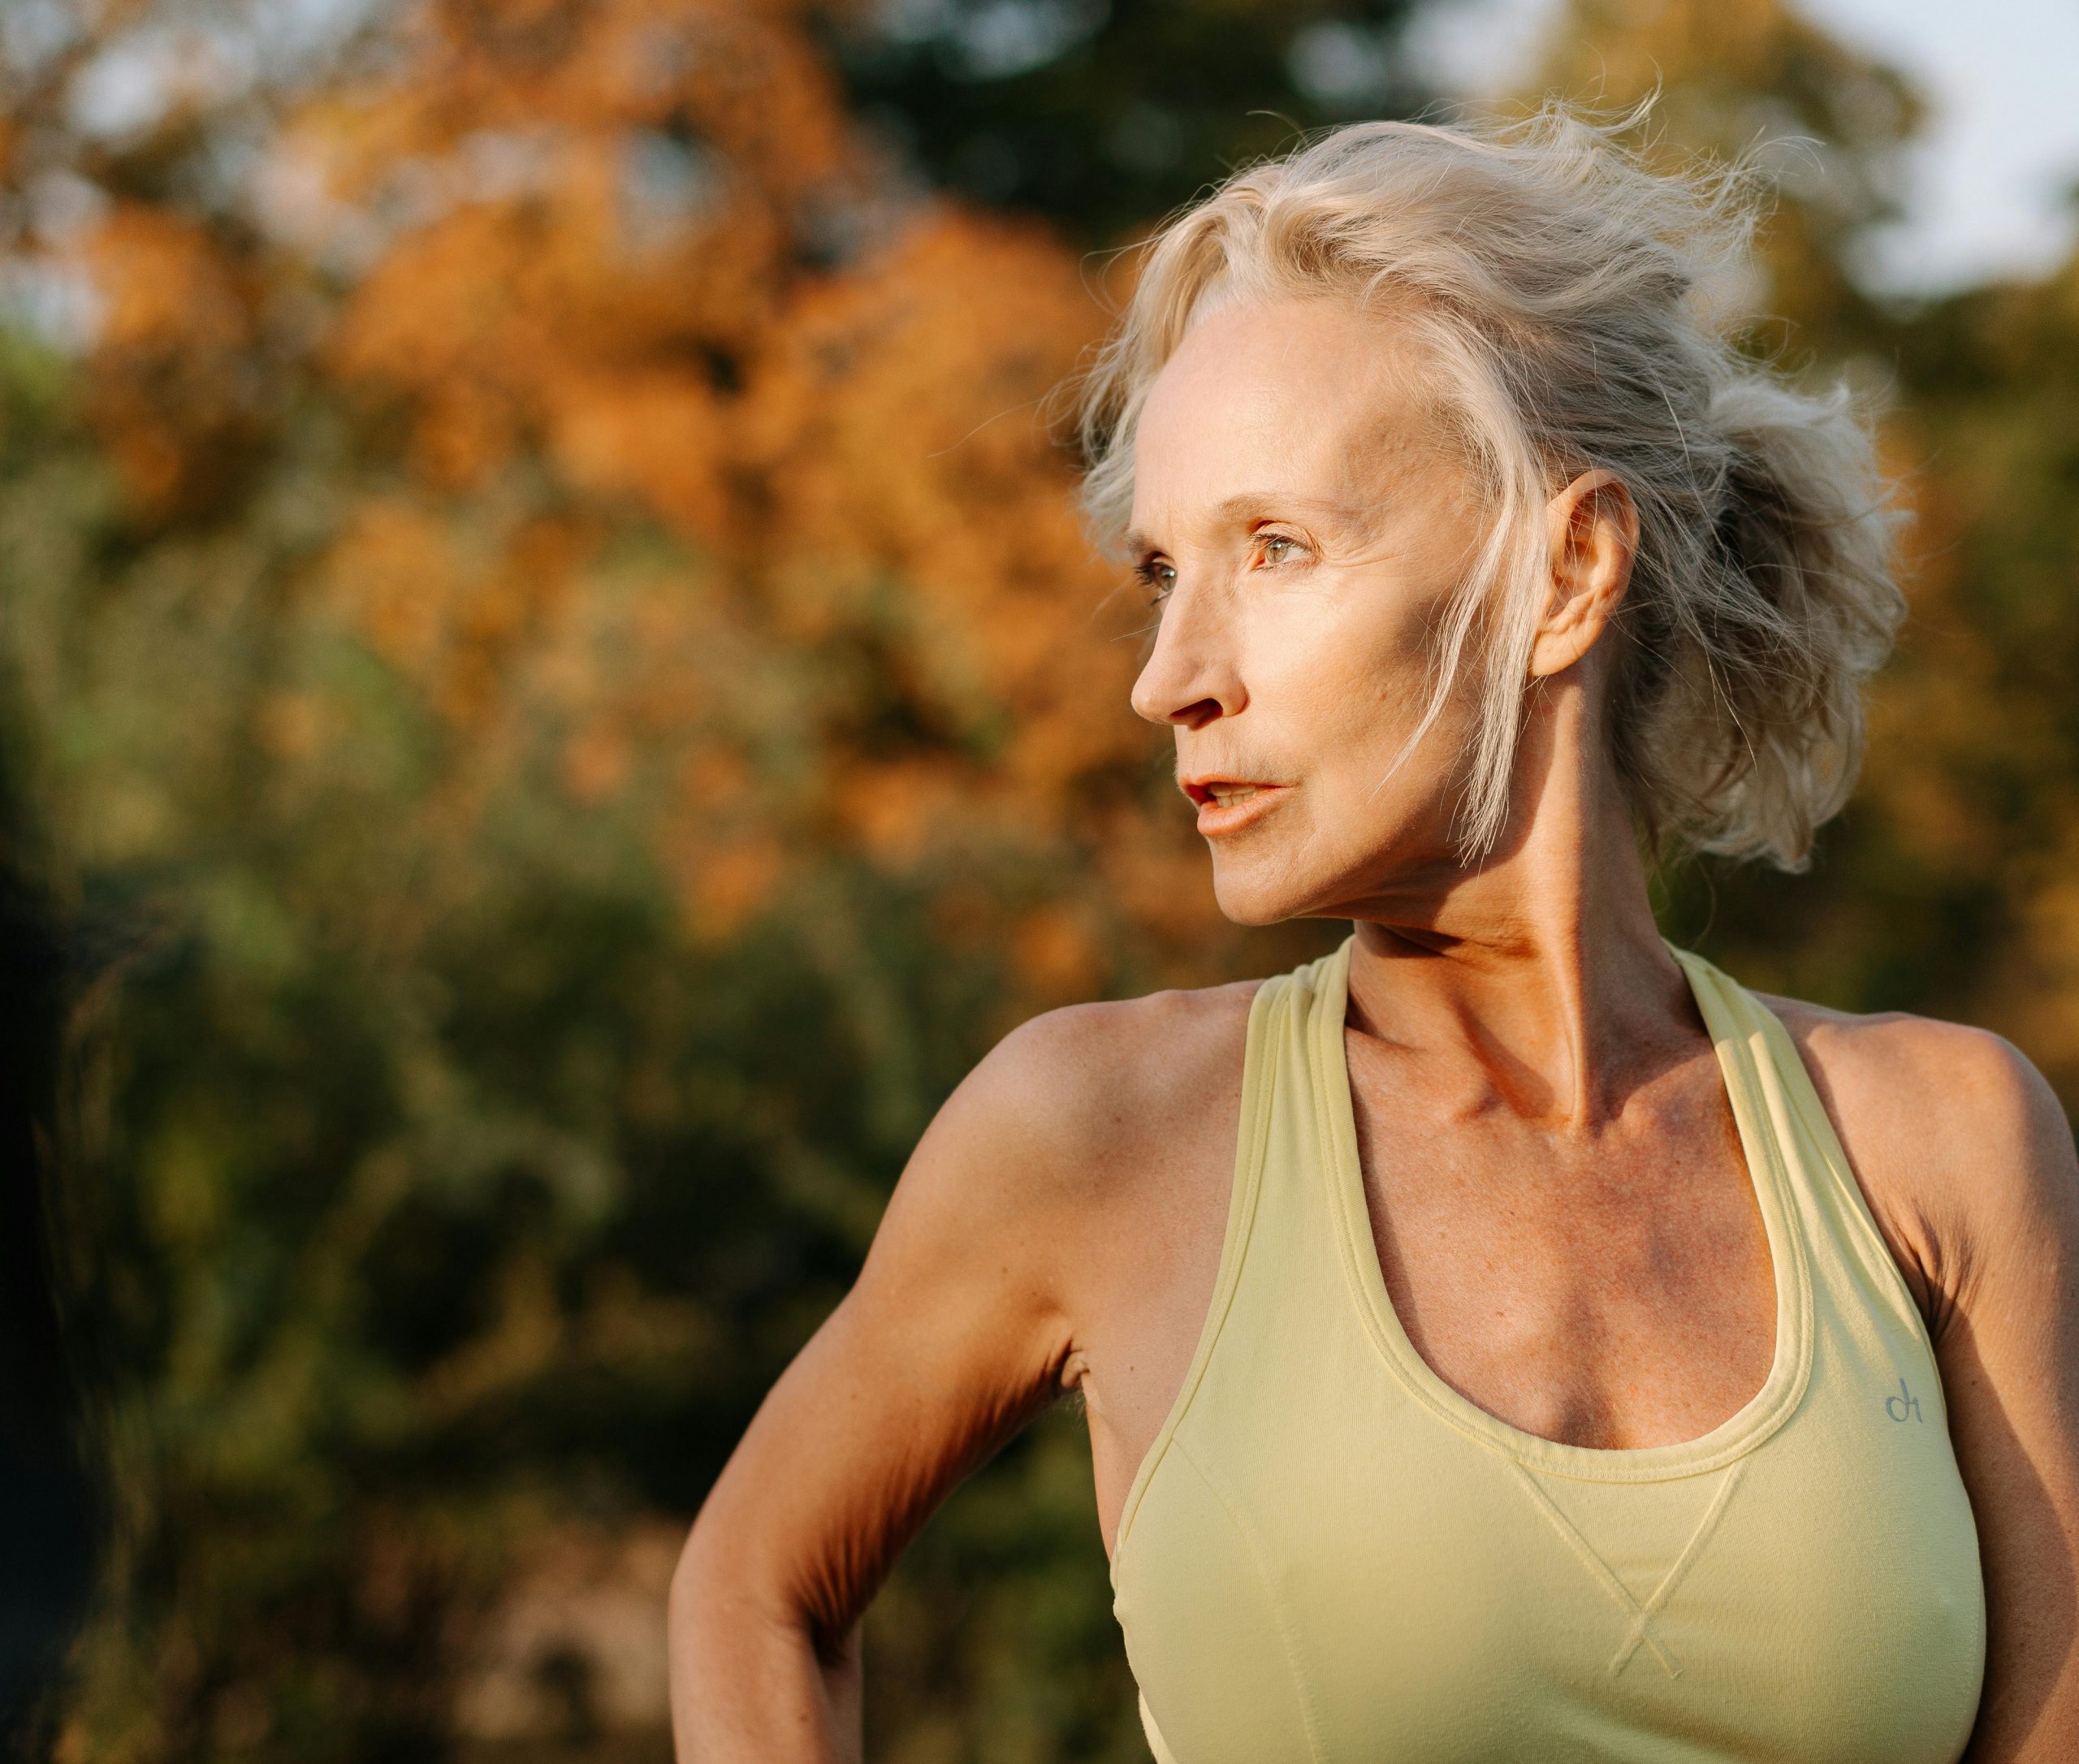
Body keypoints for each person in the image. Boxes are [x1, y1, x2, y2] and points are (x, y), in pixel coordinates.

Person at [668, 103, 2079, 1762]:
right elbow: (753, 1585)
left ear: (1564, 570)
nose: (1166, 674)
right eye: (1159, 572)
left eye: (1273, 548)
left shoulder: (1936, 1150)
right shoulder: (1099, 1136)